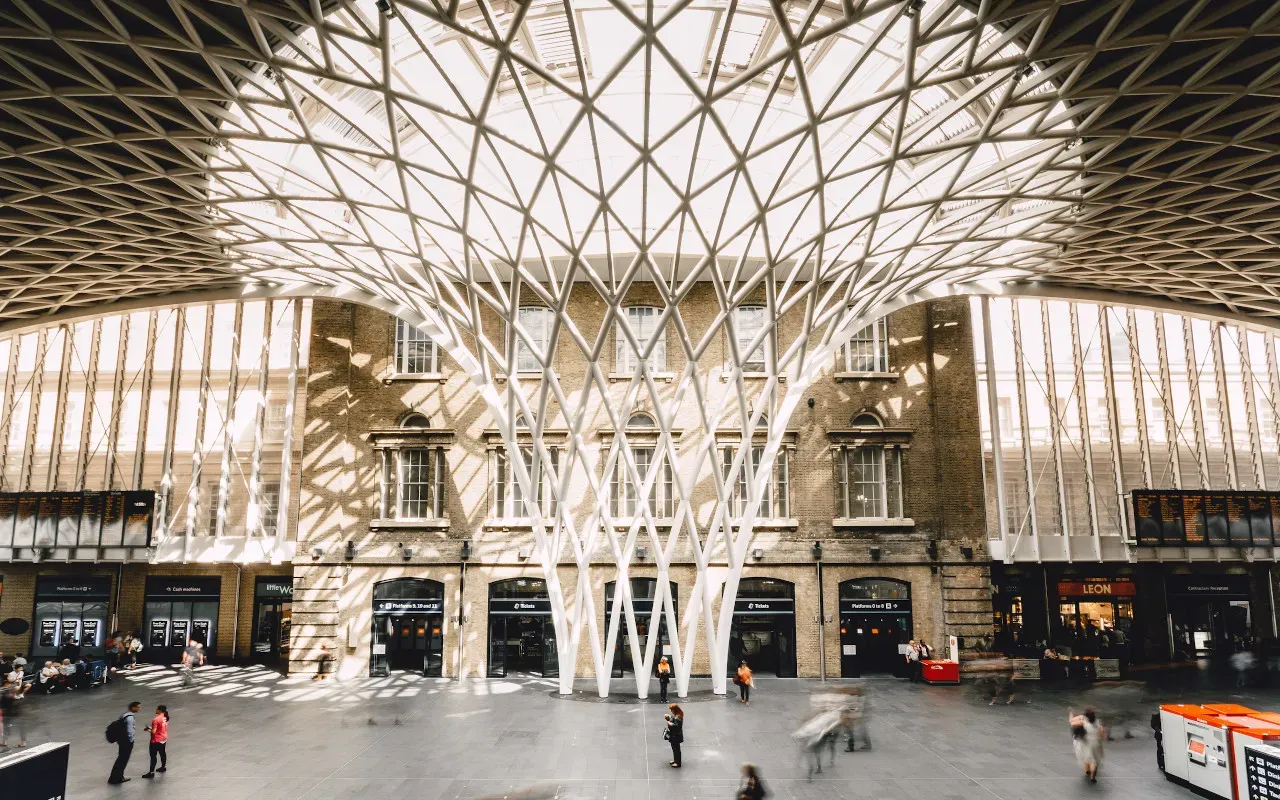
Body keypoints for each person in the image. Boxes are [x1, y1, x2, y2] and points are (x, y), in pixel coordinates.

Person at [108, 701, 142, 784]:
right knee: (123, 759)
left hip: (121, 740)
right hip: (127, 742)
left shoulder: (125, 715)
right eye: (137, 707)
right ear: (133, 707)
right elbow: (130, 731)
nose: (139, 708)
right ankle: (116, 778)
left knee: (121, 758)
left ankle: (117, 776)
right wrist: (131, 740)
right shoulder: (130, 718)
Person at [1069, 708, 1105, 783]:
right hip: (1095, 743)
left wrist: (1071, 713)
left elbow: (1072, 723)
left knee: (1086, 756)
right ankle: (1092, 778)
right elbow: (1102, 733)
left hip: (1085, 742)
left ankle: (1087, 771)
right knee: (1094, 760)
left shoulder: (1084, 722)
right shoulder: (1098, 723)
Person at [0, 671, 31, 748]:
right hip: (15, 709)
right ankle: (21, 742)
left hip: (11, 709)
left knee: (9, 725)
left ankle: (5, 741)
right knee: (19, 725)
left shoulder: (6, 688)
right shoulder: (17, 686)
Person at [141, 704, 169, 779]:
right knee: (162, 753)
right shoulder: (165, 717)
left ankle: (151, 772)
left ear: (159, 710)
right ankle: (163, 767)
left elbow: (153, 732)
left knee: (153, 756)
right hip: (164, 738)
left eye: (157, 709)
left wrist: (148, 729)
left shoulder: (155, 720)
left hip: (156, 740)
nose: (155, 710)